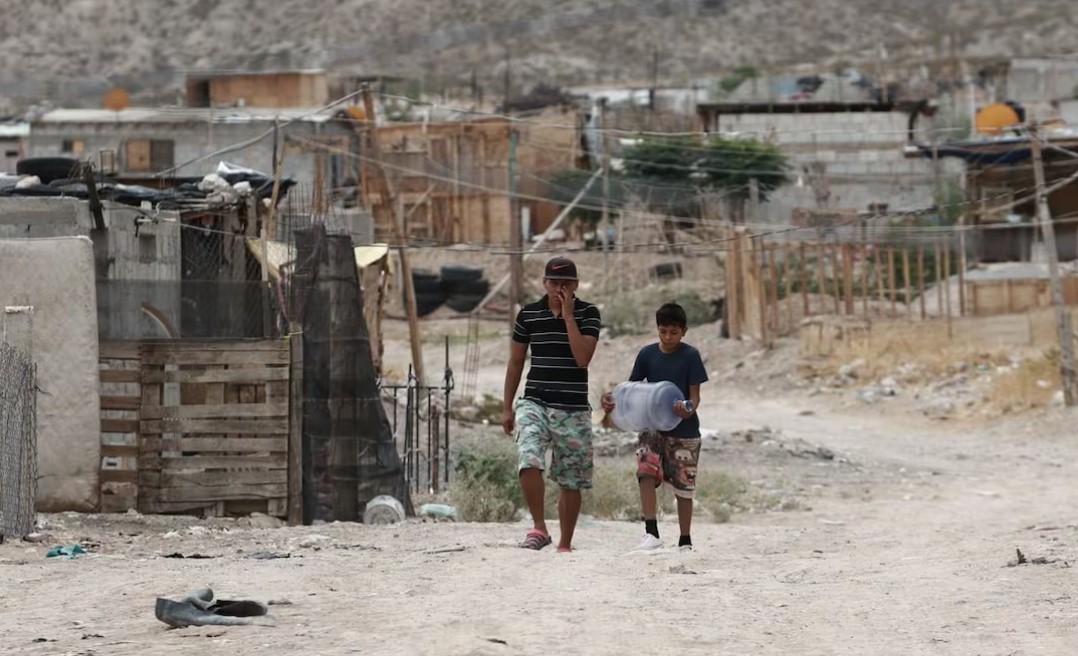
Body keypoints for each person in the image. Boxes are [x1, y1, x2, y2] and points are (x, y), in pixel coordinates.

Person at [503, 256, 601, 552]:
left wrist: (569, 316)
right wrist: (507, 406)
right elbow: (516, 361)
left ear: (576, 285)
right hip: (535, 401)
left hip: (573, 407)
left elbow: (582, 358)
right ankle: (539, 528)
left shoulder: (588, 313)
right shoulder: (529, 315)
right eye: (554, 282)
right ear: (544, 283)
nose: (560, 288)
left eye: (566, 283)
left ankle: (565, 543)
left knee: (571, 478)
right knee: (528, 459)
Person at [602, 302, 708, 551]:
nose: (668, 337)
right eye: (663, 331)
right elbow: (631, 390)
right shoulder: (646, 355)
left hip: (684, 431)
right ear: (657, 329)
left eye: (674, 332)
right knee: (645, 471)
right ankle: (651, 532)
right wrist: (611, 400)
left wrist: (687, 409)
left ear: (684, 331)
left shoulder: (690, 356)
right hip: (651, 426)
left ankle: (685, 540)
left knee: (684, 486)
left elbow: (695, 397)